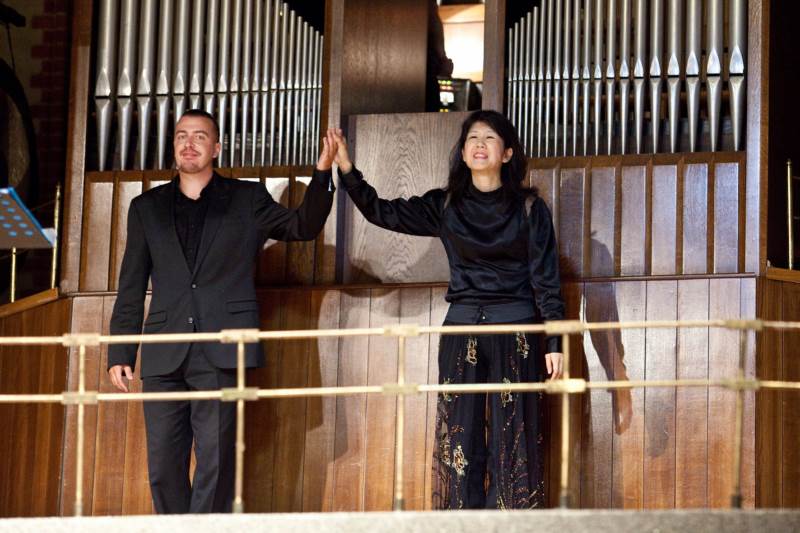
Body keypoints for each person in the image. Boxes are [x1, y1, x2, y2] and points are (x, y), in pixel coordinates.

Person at [329, 109, 565, 509]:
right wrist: (348, 170)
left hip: (517, 330)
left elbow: (546, 278)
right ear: (463, 151)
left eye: (489, 138)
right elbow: (381, 211)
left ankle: (510, 525)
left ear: (507, 153)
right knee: (461, 436)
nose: (479, 145)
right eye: (472, 138)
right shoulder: (446, 204)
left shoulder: (530, 207)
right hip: (461, 329)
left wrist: (555, 341)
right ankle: (460, 521)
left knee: (514, 438)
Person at [107, 109, 336, 513]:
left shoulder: (247, 199)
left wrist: (322, 174)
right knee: (163, 468)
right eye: (181, 135)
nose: (188, 143)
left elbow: (302, 227)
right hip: (164, 350)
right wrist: (121, 352)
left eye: (199, 136)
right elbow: (131, 285)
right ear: (173, 145)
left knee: (216, 464)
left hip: (223, 347)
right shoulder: (145, 207)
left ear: (216, 148)